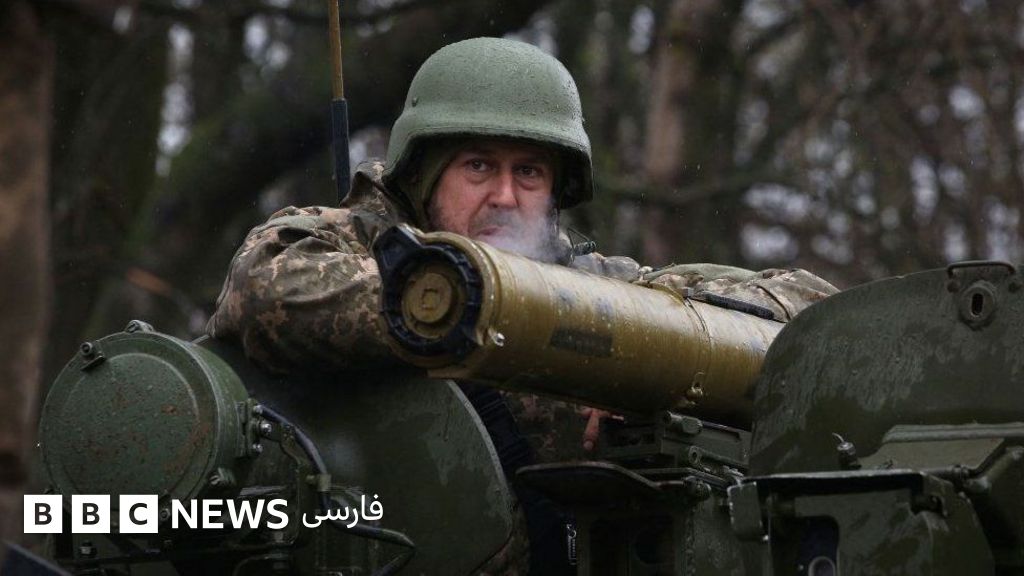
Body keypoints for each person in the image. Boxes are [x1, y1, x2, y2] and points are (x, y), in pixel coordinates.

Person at [207, 37, 837, 574]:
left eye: (529, 173)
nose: (505, 196)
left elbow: (809, 308)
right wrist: (461, 304)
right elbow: (266, 292)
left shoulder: (596, 288)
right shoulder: (337, 242)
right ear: (424, 173)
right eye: (479, 166)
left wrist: (641, 350)